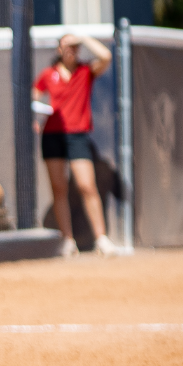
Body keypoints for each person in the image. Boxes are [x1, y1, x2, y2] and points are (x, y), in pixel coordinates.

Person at [35, 32, 115, 257]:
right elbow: (35, 94)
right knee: (59, 189)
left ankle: (101, 239)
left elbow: (106, 56)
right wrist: (36, 115)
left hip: (77, 136)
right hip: (52, 135)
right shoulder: (48, 74)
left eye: (75, 47)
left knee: (87, 186)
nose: (72, 50)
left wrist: (84, 38)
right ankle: (67, 240)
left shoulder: (85, 71)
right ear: (59, 50)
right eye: (67, 46)